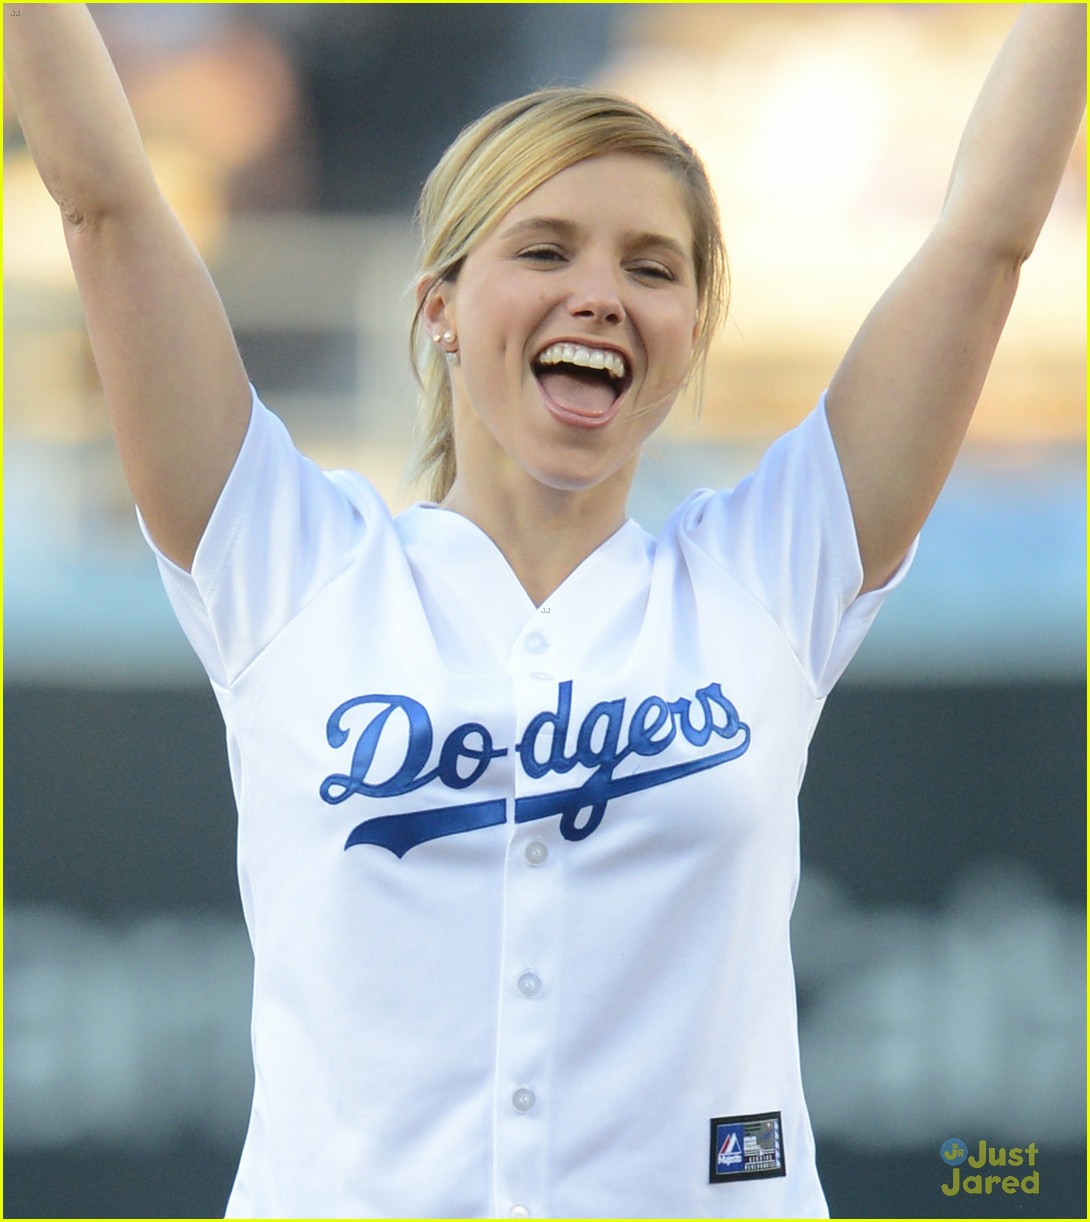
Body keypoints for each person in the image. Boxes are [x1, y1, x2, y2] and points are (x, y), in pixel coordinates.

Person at [5, 5, 1084, 1218]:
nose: (600, 295)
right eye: (546, 249)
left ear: (687, 340)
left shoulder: (768, 574)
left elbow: (988, 234)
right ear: (441, 308)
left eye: (651, 267)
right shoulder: (292, 567)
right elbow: (105, 203)